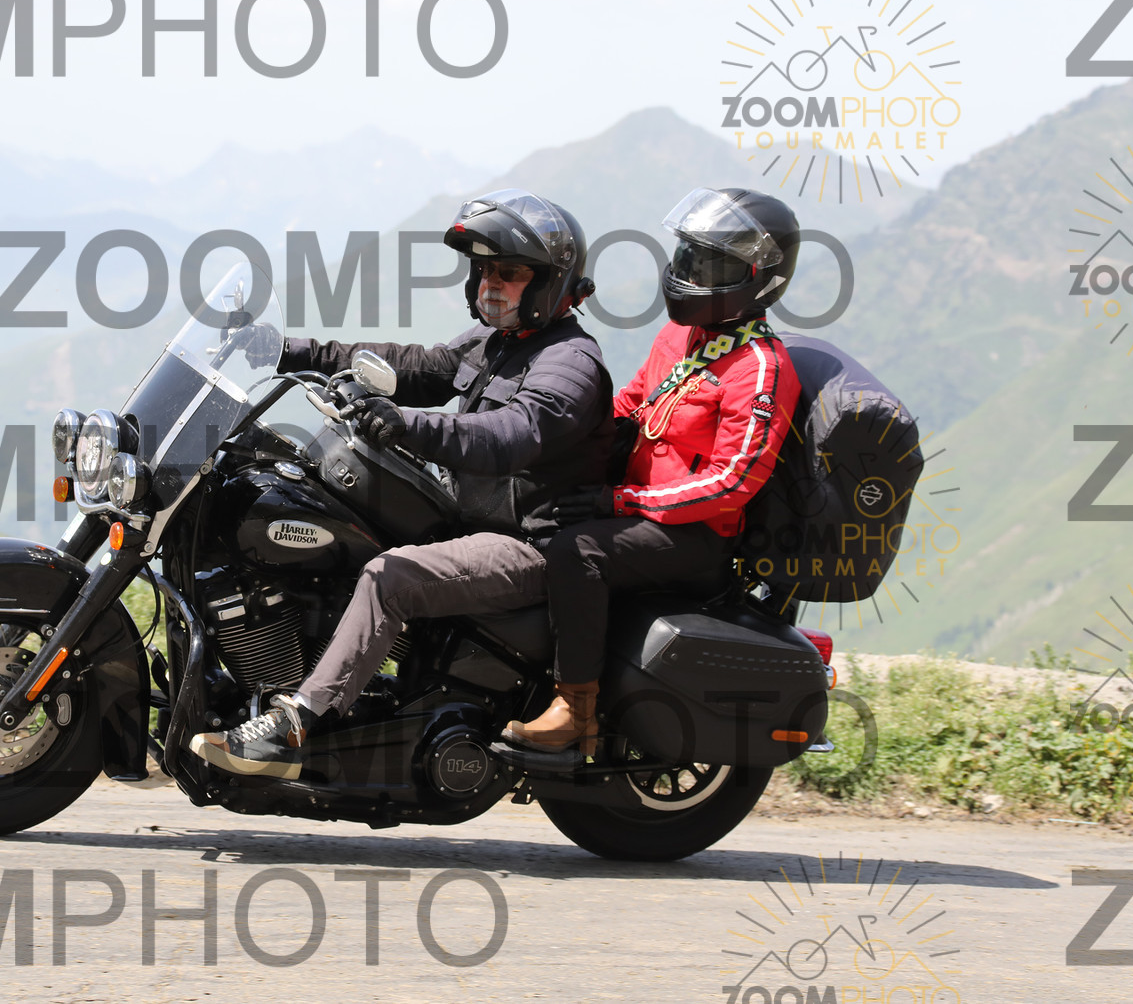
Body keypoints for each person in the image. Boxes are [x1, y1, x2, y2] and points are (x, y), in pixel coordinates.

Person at [190, 189, 614, 779]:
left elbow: (511, 435)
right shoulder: (495, 344)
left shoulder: (570, 361)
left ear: (548, 282)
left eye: (510, 273)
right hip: (473, 525)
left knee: (390, 576)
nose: (491, 284)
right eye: (484, 270)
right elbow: (409, 365)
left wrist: (408, 425)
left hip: (530, 547)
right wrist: (287, 351)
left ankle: (296, 725)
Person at [501, 187, 804, 755]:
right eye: (688, 256)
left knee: (577, 551)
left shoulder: (759, 368)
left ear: (760, 278)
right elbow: (631, 404)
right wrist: (558, 438)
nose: (690, 273)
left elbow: (732, 482)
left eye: (710, 264)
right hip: (636, 507)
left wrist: (622, 502)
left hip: (694, 535)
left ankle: (575, 711)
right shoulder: (682, 336)